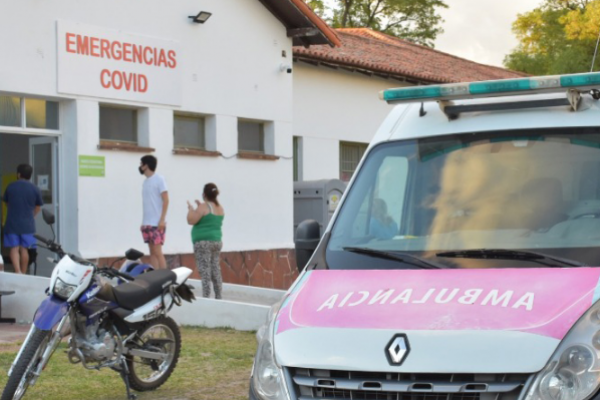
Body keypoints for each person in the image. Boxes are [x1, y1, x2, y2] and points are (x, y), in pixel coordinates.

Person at [2, 164, 43, 274]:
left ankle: (18, 272)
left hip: (12, 223)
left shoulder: (11, 187)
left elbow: (6, 202)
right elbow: (38, 207)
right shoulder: (35, 188)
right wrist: (31, 215)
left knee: (14, 248)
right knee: (24, 249)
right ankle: (24, 273)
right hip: (28, 225)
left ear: (19, 174)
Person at [187, 183, 224, 299]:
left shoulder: (204, 206)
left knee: (205, 270)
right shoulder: (219, 207)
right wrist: (199, 207)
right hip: (216, 241)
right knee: (215, 269)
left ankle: (206, 296)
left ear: (204, 194)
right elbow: (207, 219)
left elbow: (191, 220)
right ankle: (218, 296)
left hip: (203, 243)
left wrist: (191, 210)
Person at [139, 155, 169, 269]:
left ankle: (164, 277)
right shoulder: (145, 182)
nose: (140, 166)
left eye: (141, 164)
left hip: (157, 223)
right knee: (151, 251)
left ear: (146, 165)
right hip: (147, 223)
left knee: (157, 251)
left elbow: (166, 199)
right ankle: (155, 277)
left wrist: (162, 219)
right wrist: (143, 222)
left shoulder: (159, 179)